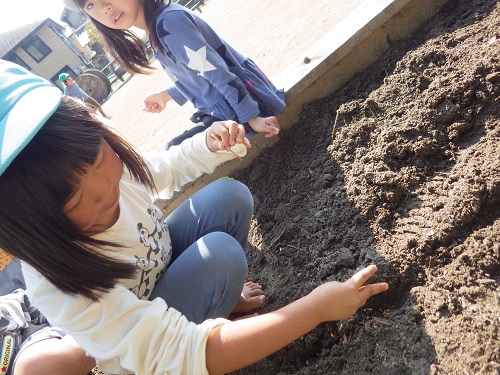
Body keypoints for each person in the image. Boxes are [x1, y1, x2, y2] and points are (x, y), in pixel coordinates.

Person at [0, 61, 388, 375]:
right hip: (144, 336)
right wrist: (316, 308)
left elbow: (164, 170)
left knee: (229, 195)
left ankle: (218, 298)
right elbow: (181, 352)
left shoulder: (115, 175)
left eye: (101, 158)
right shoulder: (59, 287)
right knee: (221, 255)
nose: (107, 187)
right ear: (31, 228)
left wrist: (209, 143)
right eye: (77, 198)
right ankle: (212, 301)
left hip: (160, 263)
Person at [63, 0, 286, 148]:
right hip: (230, 107)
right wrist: (166, 95)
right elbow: (197, 78)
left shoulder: (169, 23)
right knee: (180, 151)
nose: (105, 7)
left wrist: (253, 118)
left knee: (178, 151)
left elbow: (219, 75)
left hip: (245, 107)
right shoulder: (157, 27)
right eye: (90, 4)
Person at [0, 257, 96, 375]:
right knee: (33, 368)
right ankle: (107, 327)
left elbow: (24, 303)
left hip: (30, 310)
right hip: (35, 352)